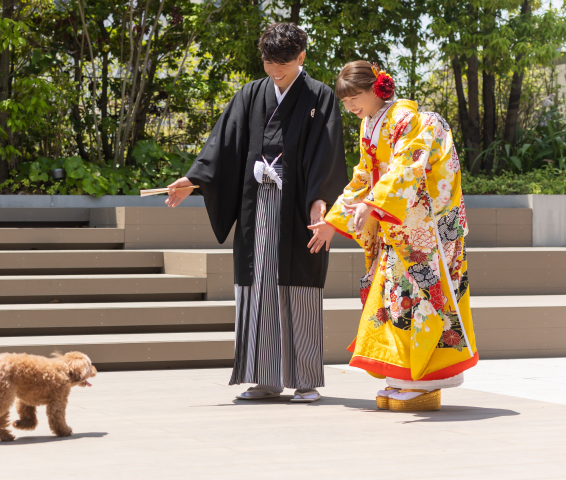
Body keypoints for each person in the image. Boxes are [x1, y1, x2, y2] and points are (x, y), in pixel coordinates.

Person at [166, 23, 349, 403]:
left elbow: (327, 154)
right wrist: (193, 179)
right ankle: (262, 377)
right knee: (257, 285)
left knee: (299, 287)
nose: (275, 71)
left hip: (297, 205)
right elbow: (223, 145)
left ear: (301, 57)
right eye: (268, 63)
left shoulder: (321, 96)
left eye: (283, 63)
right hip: (256, 203)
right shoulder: (251, 94)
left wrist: (320, 200)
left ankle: (305, 379)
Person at [308, 61, 478, 411]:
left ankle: (424, 381)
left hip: (421, 227)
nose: (351, 106)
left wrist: (373, 205)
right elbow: (362, 176)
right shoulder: (370, 124)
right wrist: (335, 221)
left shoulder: (406, 118)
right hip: (395, 224)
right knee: (391, 300)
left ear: (377, 89)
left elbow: (408, 167)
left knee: (418, 297)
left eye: (355, 97)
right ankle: (400, 377)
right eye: (346, 101)